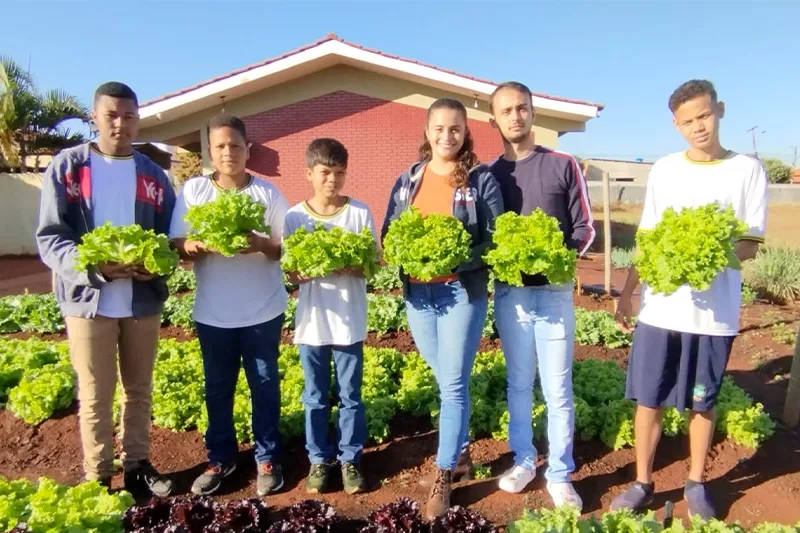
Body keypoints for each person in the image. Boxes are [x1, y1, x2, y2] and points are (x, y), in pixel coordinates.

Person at [611, 79, 767, 519]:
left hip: (714, 314)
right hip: (661, 309)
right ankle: (642, 481)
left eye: (704, 115)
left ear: (719, 109)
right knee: (649, 398)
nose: (698, 126)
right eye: (687, 121)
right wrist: (628, 292)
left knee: (703, 401)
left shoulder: (747, 170)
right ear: (675, 125)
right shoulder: (665, 169)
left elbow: (750, 243)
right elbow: (649, 237)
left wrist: (703, 260)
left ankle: (696, 482)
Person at [36, 81, 176, 497]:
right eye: (112, 115)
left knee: (138, 389)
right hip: (86, 301)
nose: (121, 124)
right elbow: (51, 237)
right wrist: (93, 267)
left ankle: (136, 465)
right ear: (94, 117)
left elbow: (169, 237)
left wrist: (156, 267)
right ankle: (97, 475)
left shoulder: (152, 175)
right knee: (95, 393)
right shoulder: (68, 167)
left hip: (140, 301)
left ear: (138, 120)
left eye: (129, 116)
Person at [381, 98, 504, 519]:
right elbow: (390, 232)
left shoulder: (479, 179)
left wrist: (458, 260)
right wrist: (405, 256)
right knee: (444, 378)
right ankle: (463, 451)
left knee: (452, 384)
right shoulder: (409, 178)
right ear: (428, 130)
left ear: (465, 131)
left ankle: (444, 473)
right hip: (419, 296)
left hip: (460, 294)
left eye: (455, 129)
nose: (447, 136)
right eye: (439, 128)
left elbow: (493, 237)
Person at [488, 81, 595, 509]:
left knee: (557, 388)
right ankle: (524, 459)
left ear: (533, 113)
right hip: (511, 295)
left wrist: (557, 259)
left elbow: (584, 227)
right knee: (517, 383)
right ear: (494, 118)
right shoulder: (489, 175)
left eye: (522, 108)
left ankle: (561, 473)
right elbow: (485, 238)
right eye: (506, 110)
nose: (515, 116)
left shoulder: (563, 164)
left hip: (552, 294)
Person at [169, 114, 289, 497]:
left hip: (262, 310)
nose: (228, 153)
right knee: (218, 389)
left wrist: (260, 244)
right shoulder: (193, 192)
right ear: (209, 151)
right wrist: (196, 246)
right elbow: (178, 243)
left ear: (247, 150)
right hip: (213, 313)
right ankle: (221, 459)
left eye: (235, 146)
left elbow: (284, 248)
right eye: (220, 146)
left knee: (264, 385)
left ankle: (267, 458)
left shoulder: (267, 194)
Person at [283, 138, 376, 496]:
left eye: (339, 173)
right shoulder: (295, 216)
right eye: (324, 173)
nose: (332, 181)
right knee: (315, 396)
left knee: (351, 396)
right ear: (309, 173)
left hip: (349, 321)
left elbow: (371, 265)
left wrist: (347, 265)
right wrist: (299, 272)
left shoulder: (359, 213)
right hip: (312, 323)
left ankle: (350, 459)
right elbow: (289, 271)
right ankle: (319, 460)